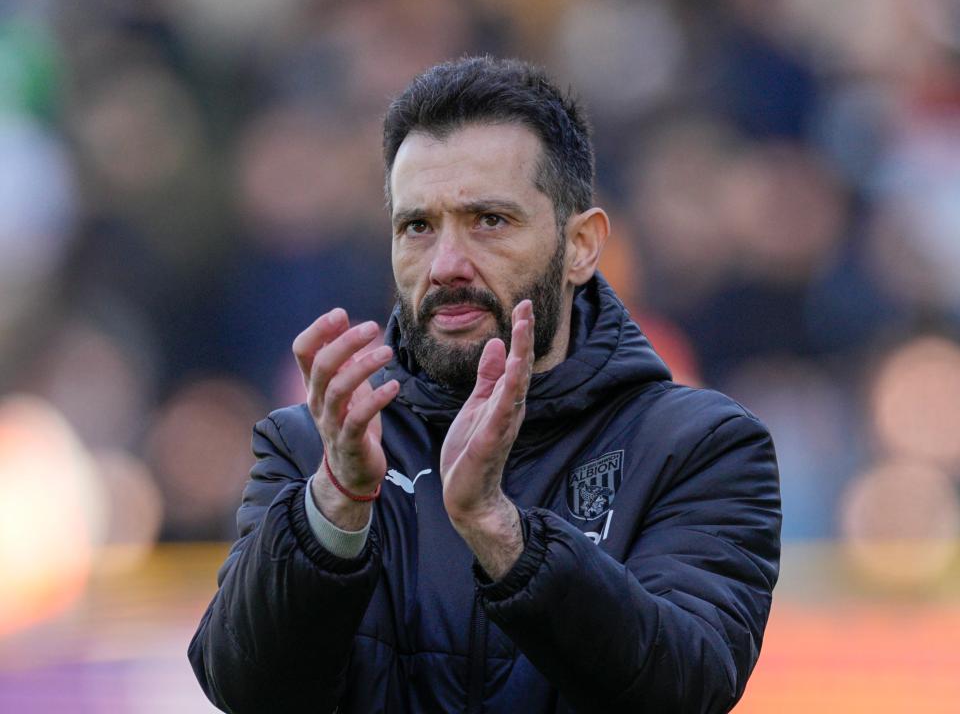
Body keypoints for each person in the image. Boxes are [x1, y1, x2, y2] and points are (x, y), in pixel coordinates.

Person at [189, 56, 781, 714]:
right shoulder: (308, 451)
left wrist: (497, 530)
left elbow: (686, 690)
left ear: (581, 245)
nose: (446, 264)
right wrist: (337, 505)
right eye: (417, 227)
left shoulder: (699, 448)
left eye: (489, 221)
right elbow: (245, 692)